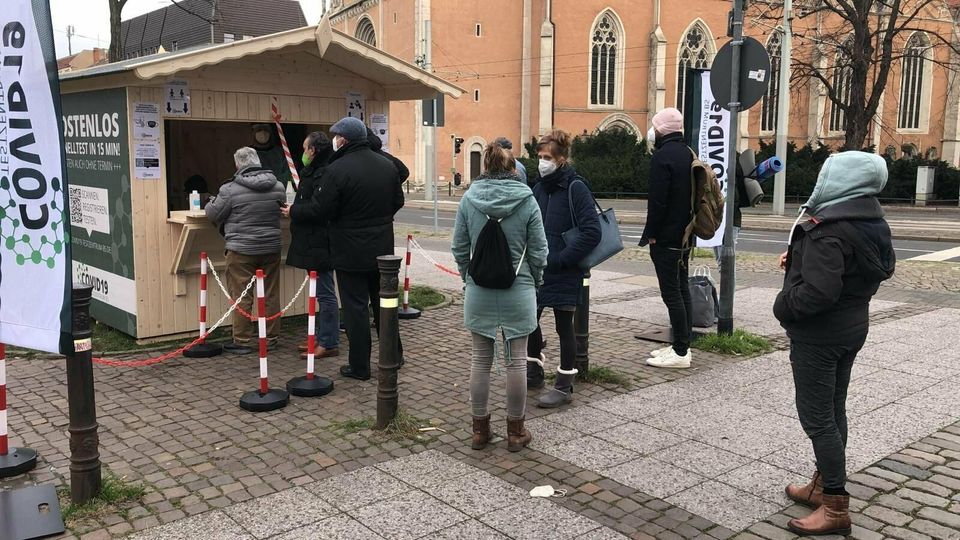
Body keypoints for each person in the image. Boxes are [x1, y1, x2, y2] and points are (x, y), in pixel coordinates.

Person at [775, 151, 895, 537]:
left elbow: (819, 293)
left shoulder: (828, 228)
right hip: (851, 327)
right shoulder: (870, 221)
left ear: (839, 180)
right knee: (833, 409)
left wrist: (784, 305)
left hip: (819, 336)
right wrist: (799, 259)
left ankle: (835, 507)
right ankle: (822, 485)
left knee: (818, 419)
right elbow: (857, 269)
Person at [452, 142, 547, 452]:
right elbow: (539, 251)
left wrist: (469, 276)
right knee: (517, 363)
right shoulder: (527, 200)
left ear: (485, 168)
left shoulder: (468, 199)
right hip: (518, 289)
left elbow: (458, 246)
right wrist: (536, 279)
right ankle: (516, 433)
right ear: (513, 170)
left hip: (479, 290)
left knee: (480, 361)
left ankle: (480, 431)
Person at [311, 117, 405, 381]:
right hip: (383, 251)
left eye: (336, 136)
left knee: (355, 309)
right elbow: (398, 199)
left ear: (343, 139)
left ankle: (359, 366)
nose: (335, 140)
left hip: (349, 251)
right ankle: (393, 356)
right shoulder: (387, 166)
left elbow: (323, 209)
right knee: (385, 305)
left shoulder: (336, 169)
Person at [526, 129, 601, 407]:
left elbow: (591, 231)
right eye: (540, 156)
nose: (542, 162)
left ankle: (564, 385)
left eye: (547, 157)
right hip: (539, 268)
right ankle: (533, 370)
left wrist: (561, 258)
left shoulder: (575, 187)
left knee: (564, 327)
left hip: (565, 269)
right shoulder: (537, 188)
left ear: (561, 159)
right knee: (528, 319)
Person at [205, 147, 285, 354]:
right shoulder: (278, 186)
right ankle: (271, 338)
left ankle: (242, 340)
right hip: (271, 247)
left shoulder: (230, 189)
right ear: (257, 161)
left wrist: (209, 202)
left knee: (242, 295)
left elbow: (213, 214)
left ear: (237, 165)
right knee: (271, 294)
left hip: (241, 249)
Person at [639, 108, 694, 369]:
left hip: (667, 237)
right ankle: (682, 345)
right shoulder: (687, 153)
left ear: (662, 129)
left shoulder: (663, 157)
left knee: (671, 293)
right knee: (682, 289)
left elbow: (658, 202)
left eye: (654, 126)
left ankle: (681, 353)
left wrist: (650, 234)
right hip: (685, 235)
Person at [282, 132, 339, 360]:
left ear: (313, 151)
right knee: (317, 293)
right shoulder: (315, 171)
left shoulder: (324, 173)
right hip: (311, 241)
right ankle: (317, 338)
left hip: (320, 242)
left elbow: (319, 208)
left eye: (305, 149)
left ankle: (328, 342)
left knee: (325, 294)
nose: (303, 153)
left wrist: (293, 210)